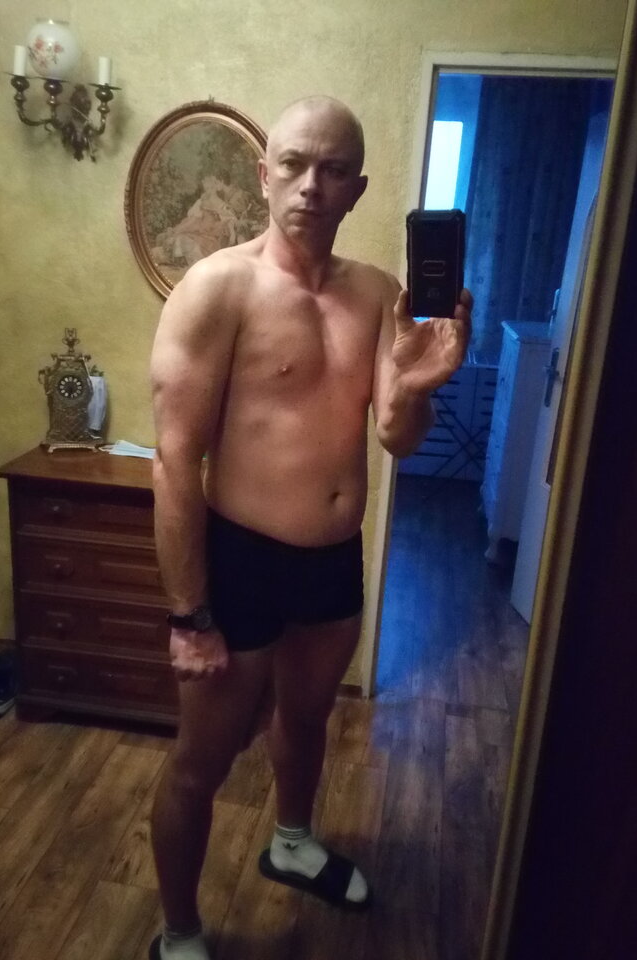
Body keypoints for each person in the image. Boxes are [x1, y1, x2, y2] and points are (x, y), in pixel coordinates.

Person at [148, 95, 472, 960]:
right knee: (201, 761)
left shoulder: (377, 294)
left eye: (333, 170)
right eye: (293, 164)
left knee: (307, 717)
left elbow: (397, 437)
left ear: (357, 189)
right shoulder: (217, 289)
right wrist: (188, 614)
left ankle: (292, 842)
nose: (310, 186)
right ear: (264, 174)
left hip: (332, 563)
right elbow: (173, 460)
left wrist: (419, 384)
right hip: (241, 561)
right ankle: (178, 932)